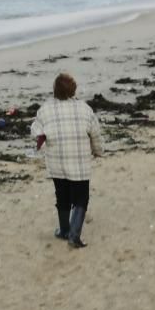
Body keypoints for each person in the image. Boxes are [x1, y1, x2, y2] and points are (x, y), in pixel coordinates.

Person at [31, 73, 104, 248]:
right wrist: (98, 151)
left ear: (55, 90)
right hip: (79, 163)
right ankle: (74, 235)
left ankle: (64, 230)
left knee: (62, 197)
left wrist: (40, 141)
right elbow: (95, 134)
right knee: (81, 199)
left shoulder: (45, 110)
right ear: (73, 89)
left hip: (57, 163)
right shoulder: (84, 109)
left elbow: (36, 131)